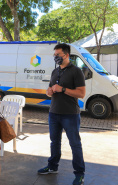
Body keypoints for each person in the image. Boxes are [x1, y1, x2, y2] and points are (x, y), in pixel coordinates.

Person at [37, 43, 86, 185]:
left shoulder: (76, 71)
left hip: (70, 114)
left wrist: (62, 89)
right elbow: (49, 90)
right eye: (54, 55)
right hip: (54, 113)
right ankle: (52, 166)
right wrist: (49, 91)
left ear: (66, 55)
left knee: (75, 144)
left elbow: (81, 93)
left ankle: (79, 174)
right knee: (54, 142)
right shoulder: (55, 71)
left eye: (58, 55)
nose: (56, 57)